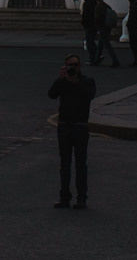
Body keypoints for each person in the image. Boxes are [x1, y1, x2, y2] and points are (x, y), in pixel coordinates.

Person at [47, 53, 96, 210]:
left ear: (80, 66)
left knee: (81, 163)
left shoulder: (87, 81)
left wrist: (75, 81)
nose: (73, 68)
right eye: (70, 65)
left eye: (75, 65)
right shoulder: (63, 81)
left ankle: (81, 198)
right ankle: (64, 197)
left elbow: (88, 96)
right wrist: (61, 79)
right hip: (64, 126)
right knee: (65, 164)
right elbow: (51, 95)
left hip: (80, 126)